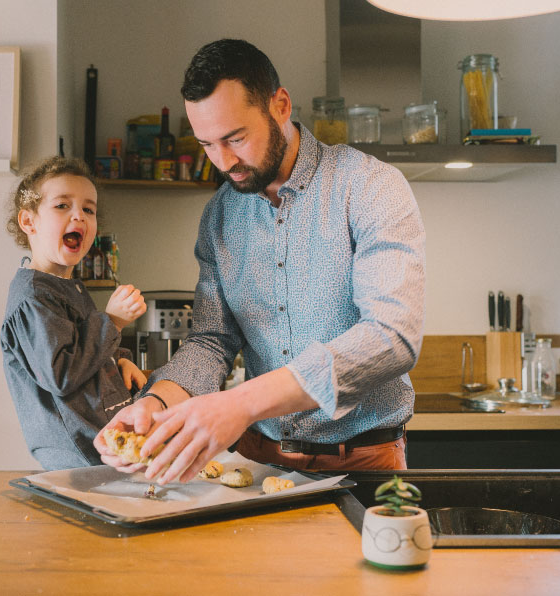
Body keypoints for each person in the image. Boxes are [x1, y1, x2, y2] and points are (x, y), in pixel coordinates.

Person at [95, 39, 425, 483]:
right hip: (256, 459)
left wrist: (242, 403)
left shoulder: (369, 186)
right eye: (207, 144)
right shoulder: (220, 214)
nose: (224, 162)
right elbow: (211, 340)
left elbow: (392, 336)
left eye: (236, 138)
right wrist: (153, 406)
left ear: (281, 105)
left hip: (363, 463)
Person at [1, 156, 149, 470]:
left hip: (103, 450)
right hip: (78, 460)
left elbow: (85, 348)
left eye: (89, 209)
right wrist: (114, 321)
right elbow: (62, 374)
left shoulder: (69, 287)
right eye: (62, 206)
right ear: (29, 222)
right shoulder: (33, 298)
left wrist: (120, 359)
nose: (78, 216)